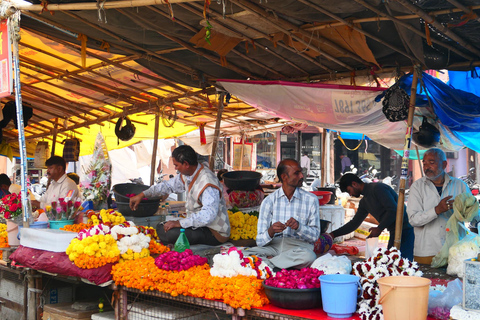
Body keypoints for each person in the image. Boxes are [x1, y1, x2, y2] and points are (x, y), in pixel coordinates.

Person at [129, 145, 230, 246]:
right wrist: (143, 194)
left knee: (172, 233)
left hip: (214, 232)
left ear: (186, 164)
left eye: (176, 165)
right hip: (197, 226)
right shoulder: (188, 174)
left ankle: (173, 241)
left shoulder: (208, 182)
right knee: (161, 227)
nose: (175, 168)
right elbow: (167, 186)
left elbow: (208, 215)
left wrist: (180, 223)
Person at [243, 159, 320, 270]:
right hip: (274, 245)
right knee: (243, 254)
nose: (301, 176)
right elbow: (259, 241)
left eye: (301, 172)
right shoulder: (269, 201)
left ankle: (269, 263)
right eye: (296, 173)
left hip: (299, 248)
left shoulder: (311, 200)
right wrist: (271, 231)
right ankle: (280, 263)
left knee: (309, 256)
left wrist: (299, 227)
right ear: (284, 177)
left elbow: (315, 236)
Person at [329, 173, 414, 260]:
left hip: (405, 231)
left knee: (403, 265)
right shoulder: (364, 202)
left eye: (349, 191)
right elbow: (354, 224)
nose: (350, 195)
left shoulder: (378, 188)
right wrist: (333, 234)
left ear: (354, 184)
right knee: (393, 264)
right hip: (393, 233)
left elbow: (393, 210)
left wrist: (379, 228)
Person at [407, 148, 469, 264]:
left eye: (431, 162)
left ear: (444, 164)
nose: (426, 167)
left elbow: (473, 215)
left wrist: (465, 211)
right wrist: (436, 210)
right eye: (424, 163)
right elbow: (413, 220)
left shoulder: (460, 186)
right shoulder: (417, 187)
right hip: (427, 251)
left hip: (455, 251)